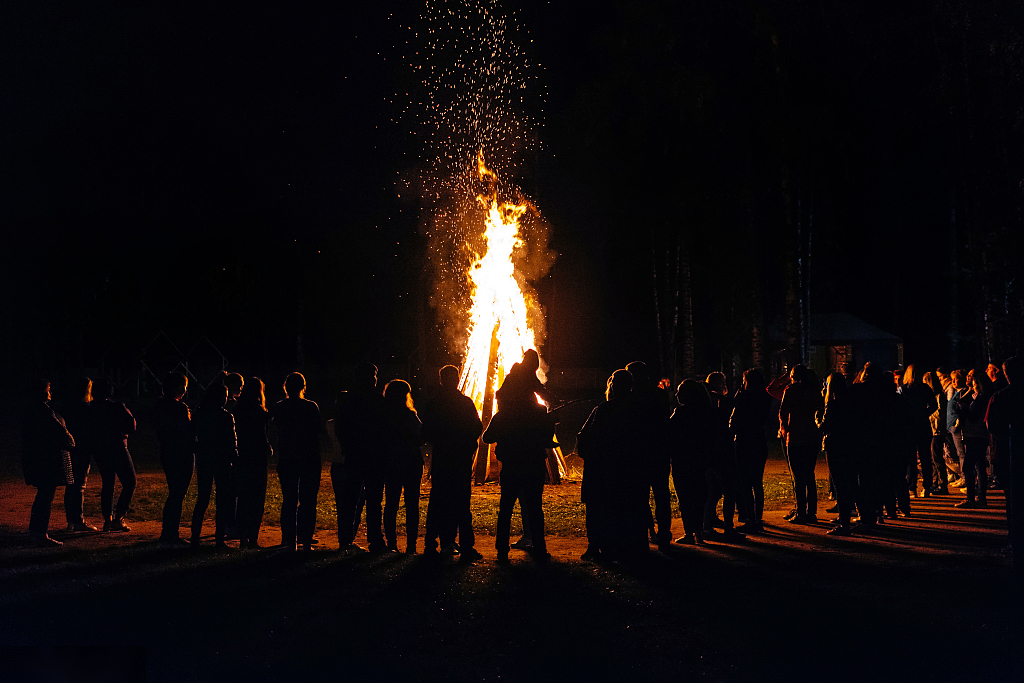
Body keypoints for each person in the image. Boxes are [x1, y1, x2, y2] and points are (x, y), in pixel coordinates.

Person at [484, 365, 557, 564]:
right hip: (533, 464)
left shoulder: (505, 414)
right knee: (534, 507)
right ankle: (539, 548)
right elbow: (546, 437)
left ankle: (501, 550)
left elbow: (487, 437)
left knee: (506, 508)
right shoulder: (539, 411)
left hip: (511, 465)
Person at [577, 369, 644, 561]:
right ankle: (623, 545)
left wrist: (590, 456)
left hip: (604, 469)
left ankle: (598, 546)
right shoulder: (639, 409)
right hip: (627, 470)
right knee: (623, 507)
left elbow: (584, 437)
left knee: (599, 508)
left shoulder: (604, 410)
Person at [420, 365, 483, 562]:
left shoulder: (434, 404)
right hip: (460, 460)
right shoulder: (465, 403)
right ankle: (465, 546)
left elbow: (426, 433)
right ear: (456, 380)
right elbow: (477, 427)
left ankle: (433, 543)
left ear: (441, 380)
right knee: (462, 504)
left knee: (438, 502)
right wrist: (467, 444)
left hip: (443, 460)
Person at [333, 363, 384, 553]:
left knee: (351, 499)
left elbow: (340, 427)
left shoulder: (347, 400)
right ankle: (374, 540)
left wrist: (347, 447)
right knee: (372, 500)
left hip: (355, 455)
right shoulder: (377, 401)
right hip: (372, 456)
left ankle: (346, 539)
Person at [273, 372, 324, 552]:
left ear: (286, 387)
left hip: (288, 458)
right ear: (303, 387)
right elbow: (319, 430)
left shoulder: (280, 407)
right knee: (308, 500)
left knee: (289, 499)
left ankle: (288, 537)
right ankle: (306, 537)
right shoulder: (311, 407)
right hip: (309, 457)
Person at [625, 361, 672, 548]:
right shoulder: (659, 394)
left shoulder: (630, 396)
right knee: (661, 494)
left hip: (639, 452)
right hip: (658, 451)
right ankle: (664, 535)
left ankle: (645, 534)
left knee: (641, 495)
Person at [22, 380, 75, 546]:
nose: (50, 391)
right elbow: (59, 433)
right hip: (47, 460)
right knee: (45, 496)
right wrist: (68, 438)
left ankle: (37, 532)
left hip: (41, 459)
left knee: (44, 496)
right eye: (48, 389)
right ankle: (39, 533)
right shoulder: (43, 412)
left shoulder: (36, 410)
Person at [191, 384, 238, 550]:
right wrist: (235, 458)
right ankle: (219, 540)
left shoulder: (200, 414)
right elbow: (231, 442)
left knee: (202, 499)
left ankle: (195, 538)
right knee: (222, 501)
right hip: (222, 461)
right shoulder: (225, 416)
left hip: (205, 460)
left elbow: (192, 436)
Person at [381, 380, 425, 554]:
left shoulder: (384, 414)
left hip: (391, 462)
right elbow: (421, 436)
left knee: (391, 502)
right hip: (411, 461)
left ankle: (391, 542)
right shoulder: (409, 415)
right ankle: (411, 545)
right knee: (412, 503)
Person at [670, 380, 714, 545]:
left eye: (679, 391)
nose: (676, 394)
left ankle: (690, 532)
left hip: (682, 459)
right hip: (700, 459)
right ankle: (699, 532)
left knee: (685, 497)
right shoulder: (706, 412)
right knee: (699, 495)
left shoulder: (680, 413)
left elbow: (670, 434)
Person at [155, 373, 195, 547]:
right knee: (178, 494)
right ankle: (172, 533)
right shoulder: (180, 408)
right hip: (182, 454)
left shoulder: (160, 407)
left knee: (174, 493)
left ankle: (168, 531)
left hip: (167, 452)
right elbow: (186, 433)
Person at [91, 378, 137, 533]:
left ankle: (107, 520)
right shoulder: (116, 407)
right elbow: (131, 425)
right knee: (129, 482)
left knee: (108, 483)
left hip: (100, 449)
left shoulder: (91, 408)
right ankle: (118, 518)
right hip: (118, 447)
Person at [730, 368, 772, 533]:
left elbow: (734, 421)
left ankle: (750, 519)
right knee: (757, 482)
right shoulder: (764, 398)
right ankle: (758, 518)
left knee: (745, 483)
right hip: (759, 441)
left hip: (744, 442)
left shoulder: (744, 399)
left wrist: (737, 400)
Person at [778, 365, 822, 523]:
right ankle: (812, 512)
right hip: (811, 435)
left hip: (795, 436)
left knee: (798, 476)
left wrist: (785, 429)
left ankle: (801, 512)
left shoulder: (790, 390)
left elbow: (783, 412)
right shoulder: (815, 390)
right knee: (809, 474)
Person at [985, 357, 1020, 552]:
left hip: (1006, 454)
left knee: (1012, 499)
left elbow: (991, 425)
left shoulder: (999, 397)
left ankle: (1014, 540)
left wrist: (1006, 439)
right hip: (1008, 452)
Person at [704, 372, 744, 541]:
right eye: (720, 382)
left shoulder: (710, 403)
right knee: (729, 490)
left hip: (714, 452)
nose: (723, 385)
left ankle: (708, 525)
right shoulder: (715, 403)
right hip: (720, 452)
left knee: (714, 491)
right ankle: (727, 527)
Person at [818, 373, 858, 535]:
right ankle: (848, 517)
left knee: (839, 484)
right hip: (849, 444)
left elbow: (825, 426)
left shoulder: (832, 404)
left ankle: (844, 523)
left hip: (835, 445)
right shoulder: (850, 401)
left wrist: (817, 420)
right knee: (850, 482)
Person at [235, 377, 271, 549]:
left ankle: (242, 536)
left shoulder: (237, 410)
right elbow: (261, 434)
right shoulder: (260, 412)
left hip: (242, 456)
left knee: (243, 497)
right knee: (257, 498)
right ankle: (253, 537)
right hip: (257, 456)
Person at [60, 377, 98, 532]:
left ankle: (71, 521)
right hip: (82, 450)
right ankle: (78, 521)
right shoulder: (86, 408)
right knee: (79, 486)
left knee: (71, 485)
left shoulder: (67, 407)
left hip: (69, 450)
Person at [952, 369, 993, 509]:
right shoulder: (984, 397)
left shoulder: (980, 399)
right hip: (981, 434)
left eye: (975, 383)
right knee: (980, 466)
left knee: (968, 466)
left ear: (979, 384)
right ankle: (982, 497)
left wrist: (962, 409)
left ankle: (970, 498)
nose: (973, 386)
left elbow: (973, 416)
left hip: (975, 435)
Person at [900, 365, 936, 499]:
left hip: (909, 427)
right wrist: (924, 414)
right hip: (923, 425)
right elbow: (934, 405)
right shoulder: (925, 388)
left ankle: (912, 487)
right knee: (925, 457)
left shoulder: (904, 389)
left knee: (911, 459)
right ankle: (927, 487)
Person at [922, 371, 949, 495]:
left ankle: (943, 484)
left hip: (937, 429)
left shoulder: (939, 396)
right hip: (935, 429)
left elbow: (939, 412)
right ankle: (937, 482)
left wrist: (926, 413)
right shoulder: (938, 395)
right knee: (934, 457)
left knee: (937, 457)